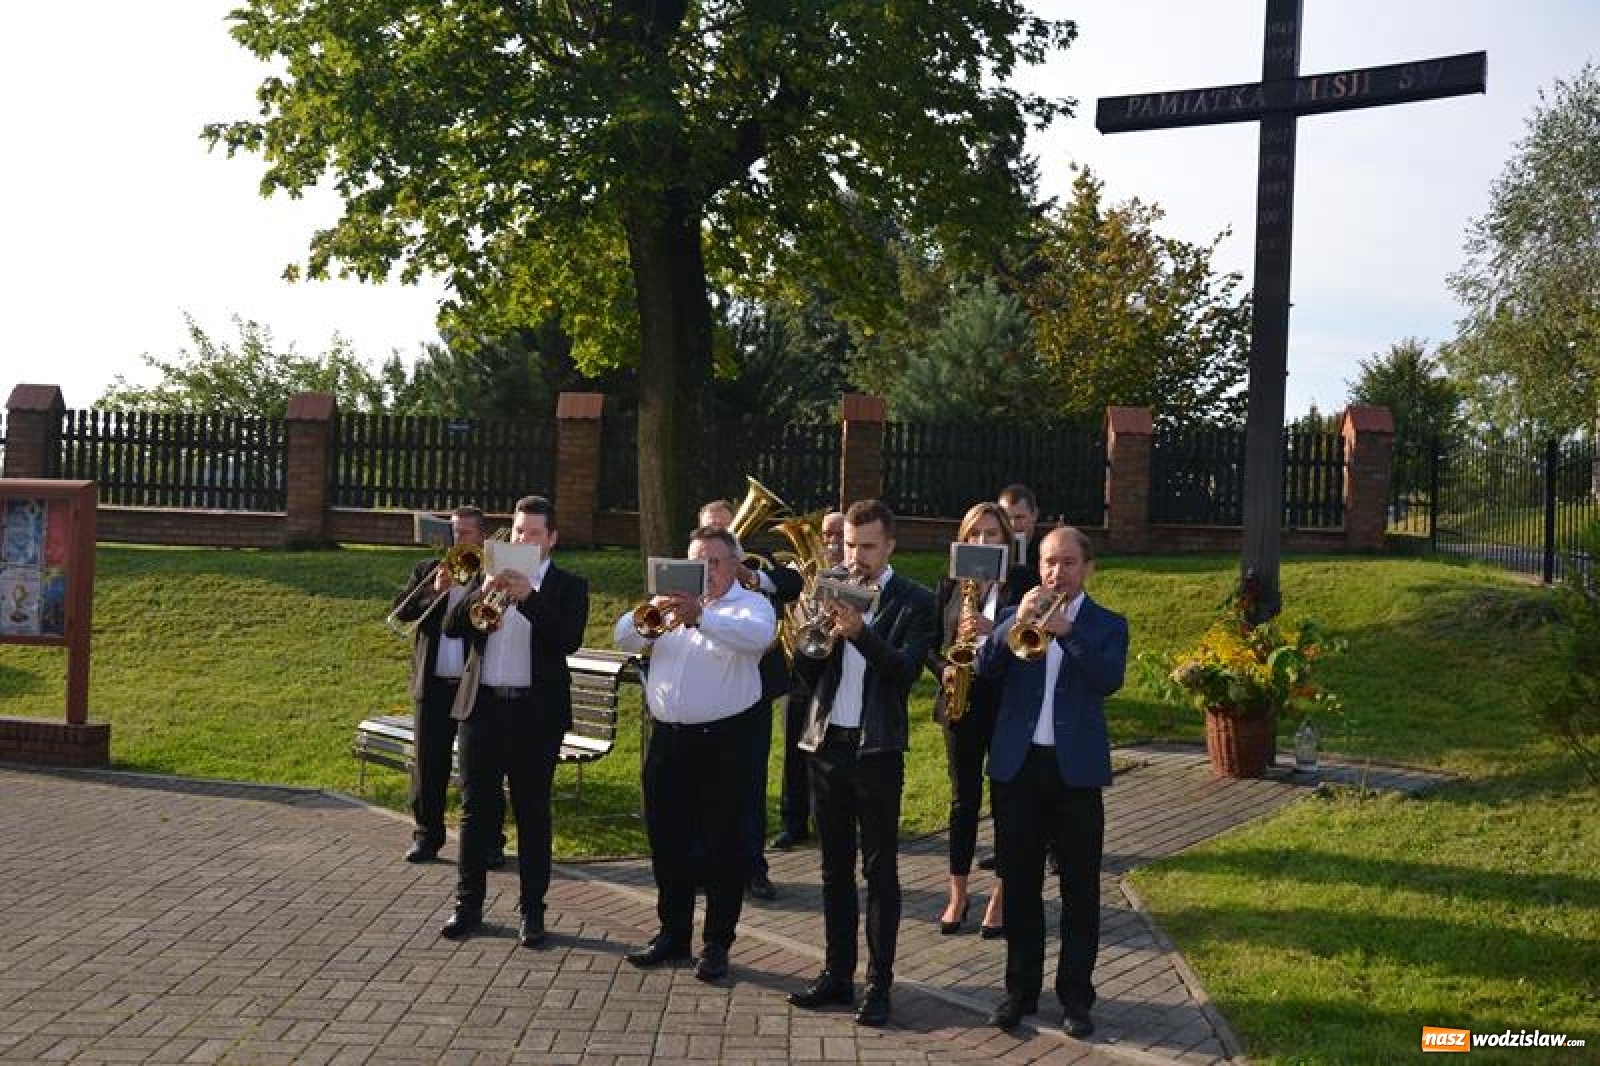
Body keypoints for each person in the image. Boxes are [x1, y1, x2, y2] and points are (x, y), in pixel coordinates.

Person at [788, 500, 936, 1028]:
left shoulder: (913, 600)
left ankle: (879, 984)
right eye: (850, 545)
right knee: (832, 869)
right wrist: (818, 631)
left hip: (877, 751)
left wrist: (861, 633)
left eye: (868, 546)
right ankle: (836, 975)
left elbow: (905, 673)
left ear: (890, 545)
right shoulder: (830, 585)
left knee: (880, 871)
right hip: (827, 746)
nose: (857, 556)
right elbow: (803, 674)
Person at [975, 526, 1128, 1039]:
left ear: (1087, 568)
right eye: (1047, 562)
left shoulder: (1106, 624)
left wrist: (1069, 632)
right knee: (1019, 886)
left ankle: (1076, 998)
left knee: (1080, 890)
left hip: (1076, 772)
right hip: (1019, 768)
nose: (1054, 572)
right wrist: (1009, 624)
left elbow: (1109, 679)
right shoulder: (1020, 613)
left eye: (1066, 563)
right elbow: (985, 667)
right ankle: (1019, 991)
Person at [613, 525, 777, 982]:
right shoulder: (667, 609)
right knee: (668, 843)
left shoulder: (752, 606)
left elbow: (757, 639)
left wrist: (700, 617)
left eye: (713, 562)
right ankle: (673, 933)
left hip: (725, 742)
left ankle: (717, 944)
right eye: (695, 563)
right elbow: (624, 637)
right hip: (668, 740)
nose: (704, 572)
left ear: (733, 565)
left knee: (724, 846)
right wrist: (655, 610)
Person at [437, 495, 590, 948]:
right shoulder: (487, 572)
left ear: (552, 540)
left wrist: (529, 599)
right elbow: (449, 626)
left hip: (535, 715)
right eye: (519, 531)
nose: (524, 538)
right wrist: (480, 595)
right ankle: (468, 906)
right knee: (474, 811)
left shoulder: (567, 585)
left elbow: (568, 640)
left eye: (534, 533)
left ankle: (533, 912)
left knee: (532, 812)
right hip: (482, 710)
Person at [925, 502, 1031, 939]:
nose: (984, 542)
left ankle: (1002, 895)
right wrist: (943, 668)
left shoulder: (1022, 584)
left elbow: (1030, 649)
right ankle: (957, 892)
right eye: (976, 534)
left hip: (1004, 703)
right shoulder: (949, 583)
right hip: (961, 702)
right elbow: (931, 646)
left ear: (1006, 541)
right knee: (961, 800)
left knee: (1007, 799)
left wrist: (995, 628)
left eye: (993, 534)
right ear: (963, 539)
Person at [696, 498, 802, 901]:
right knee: (703, 785)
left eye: (727, 526)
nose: (721, 530)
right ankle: (704, 863)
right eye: (712, 526)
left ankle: (752, 866)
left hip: (753, 691)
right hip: (705, 693)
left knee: (750, 781)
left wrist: (750, 577)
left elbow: (793, 585)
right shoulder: (689, 571)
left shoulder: (759, 565)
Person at [389, 505, 504, 868]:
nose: (459, 538)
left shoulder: (492, 576)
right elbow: (400, 613)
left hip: (474, 686)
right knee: (429, 764)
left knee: (483, 769)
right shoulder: (429, 571)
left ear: (482, 536)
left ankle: (490, 842)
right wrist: (432, 593)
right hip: (434, 684)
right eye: (455, 532)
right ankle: (427, 837)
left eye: (467, 532)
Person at [771, 509, 845, 850]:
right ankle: (793, 820)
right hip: (802, 675)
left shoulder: (858, 579)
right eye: (826, 536)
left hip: (839, 678)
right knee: (794, 746)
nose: (830, 542)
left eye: (837, 536)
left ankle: (828, 815)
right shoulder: (805, 577)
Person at [998, 483, 1044, 591]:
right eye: (1007, 518)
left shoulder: (1047, 550)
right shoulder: (994, 549)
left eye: (1019, 517)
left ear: (1035, 515)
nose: (1013, 524)